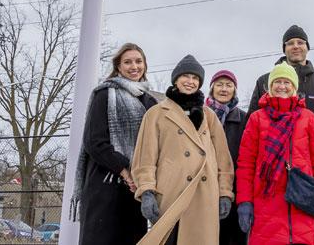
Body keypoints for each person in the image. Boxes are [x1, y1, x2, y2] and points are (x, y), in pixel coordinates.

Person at [132, 54, 235, 245]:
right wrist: (146, 191)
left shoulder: (209, 115)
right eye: (186, 76)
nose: (190, 81)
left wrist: (225, 193)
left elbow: (223, 159)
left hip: (204, 195)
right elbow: (145, 158)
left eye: (195, 78)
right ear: (176, 79)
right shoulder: (156, 113)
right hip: (171, 194)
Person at [72, 43, 160, 245]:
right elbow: (94, 141)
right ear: (118, 67)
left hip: (136, 191)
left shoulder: (151, 102)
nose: (134, 66)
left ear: (145, 65)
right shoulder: (104, 94)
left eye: (138, 61)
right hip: (105, 187)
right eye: (127, 62)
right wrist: (125, 169)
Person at [235, 63, 314, 245]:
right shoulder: (257, 119)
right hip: (266, 208)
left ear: (294, 87)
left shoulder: (309, 118)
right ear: (270, 87)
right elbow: (246, 164)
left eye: (287, 82)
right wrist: (244, 202)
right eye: (277, 82)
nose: (282, 86)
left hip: (302, 205)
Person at [247, 24, 314, 164]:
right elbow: (250, 126)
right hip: (271, 166)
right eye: (290, 43)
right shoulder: (265, 81)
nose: (296, 46)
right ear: (284, 49)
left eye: (300, 42)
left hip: (311, 167)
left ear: (307, 47)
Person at [207, 70, 249, 245]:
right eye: (219, 85)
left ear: (234, 90)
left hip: (234, 190)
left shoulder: (244, 119)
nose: (224, 89)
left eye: (228, 85)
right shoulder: (200, 116)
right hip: (206, 188)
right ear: (211, 89)